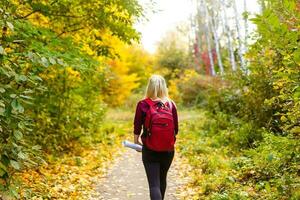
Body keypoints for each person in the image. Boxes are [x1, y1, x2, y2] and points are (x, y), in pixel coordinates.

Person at [133, 74, 178, 200]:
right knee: (162, 180)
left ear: (149, 87)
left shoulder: (142, 104)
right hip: (168, 150)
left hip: (150, 149)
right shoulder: (170, 104)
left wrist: (136, 141)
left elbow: (137, 125)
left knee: (154, 185)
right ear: (164, 87)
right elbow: (176, 129)